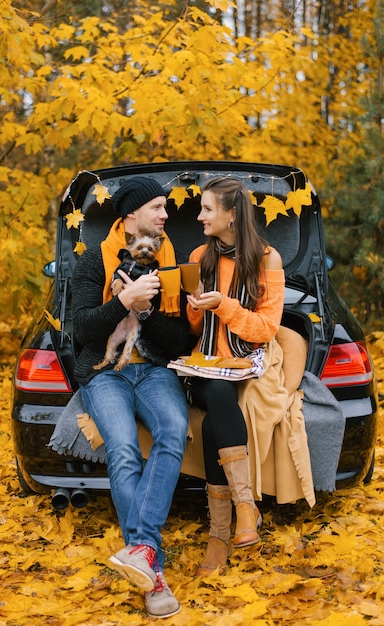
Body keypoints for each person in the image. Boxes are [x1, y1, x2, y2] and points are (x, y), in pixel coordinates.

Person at [72, 176, 190, 618]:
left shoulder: (170, 262)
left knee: (174, 430)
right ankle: (154, 572)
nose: (165, 215)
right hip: (106, 373)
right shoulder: (91, 261)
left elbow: (178, 341)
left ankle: (138, 549)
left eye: (164, 209)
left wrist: (148, 309)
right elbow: (81, 330)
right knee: (122, 449)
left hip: (155, 371)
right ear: (131, 218)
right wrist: (122, 301)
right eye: (158, 207)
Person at [186, 176, 285, 576]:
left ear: (231, 215)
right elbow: (195, 331)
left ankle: (218, 535)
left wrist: (224, 305)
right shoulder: (199, 255)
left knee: (216, 420)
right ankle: (246, 507)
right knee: (220, 396)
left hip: (244, 365)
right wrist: (195, 307)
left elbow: (266, 330)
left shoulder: (267, 260)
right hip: (205, 366)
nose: (199, 216)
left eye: (207, 209)